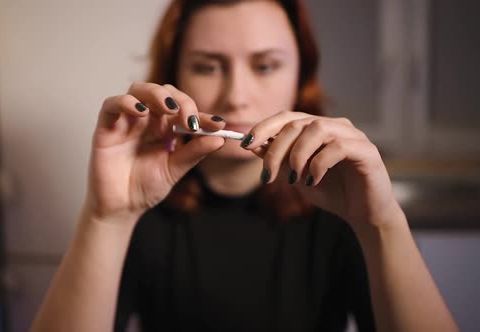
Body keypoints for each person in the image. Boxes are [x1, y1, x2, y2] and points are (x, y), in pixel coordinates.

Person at [31, 0, 459, 331]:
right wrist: (107, 218)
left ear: (301, 76)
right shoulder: (144, 206)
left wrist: (381, 225)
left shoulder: (342, 202)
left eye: (266, 65)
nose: (236, 95)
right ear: (175, 75)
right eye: (207, 66)